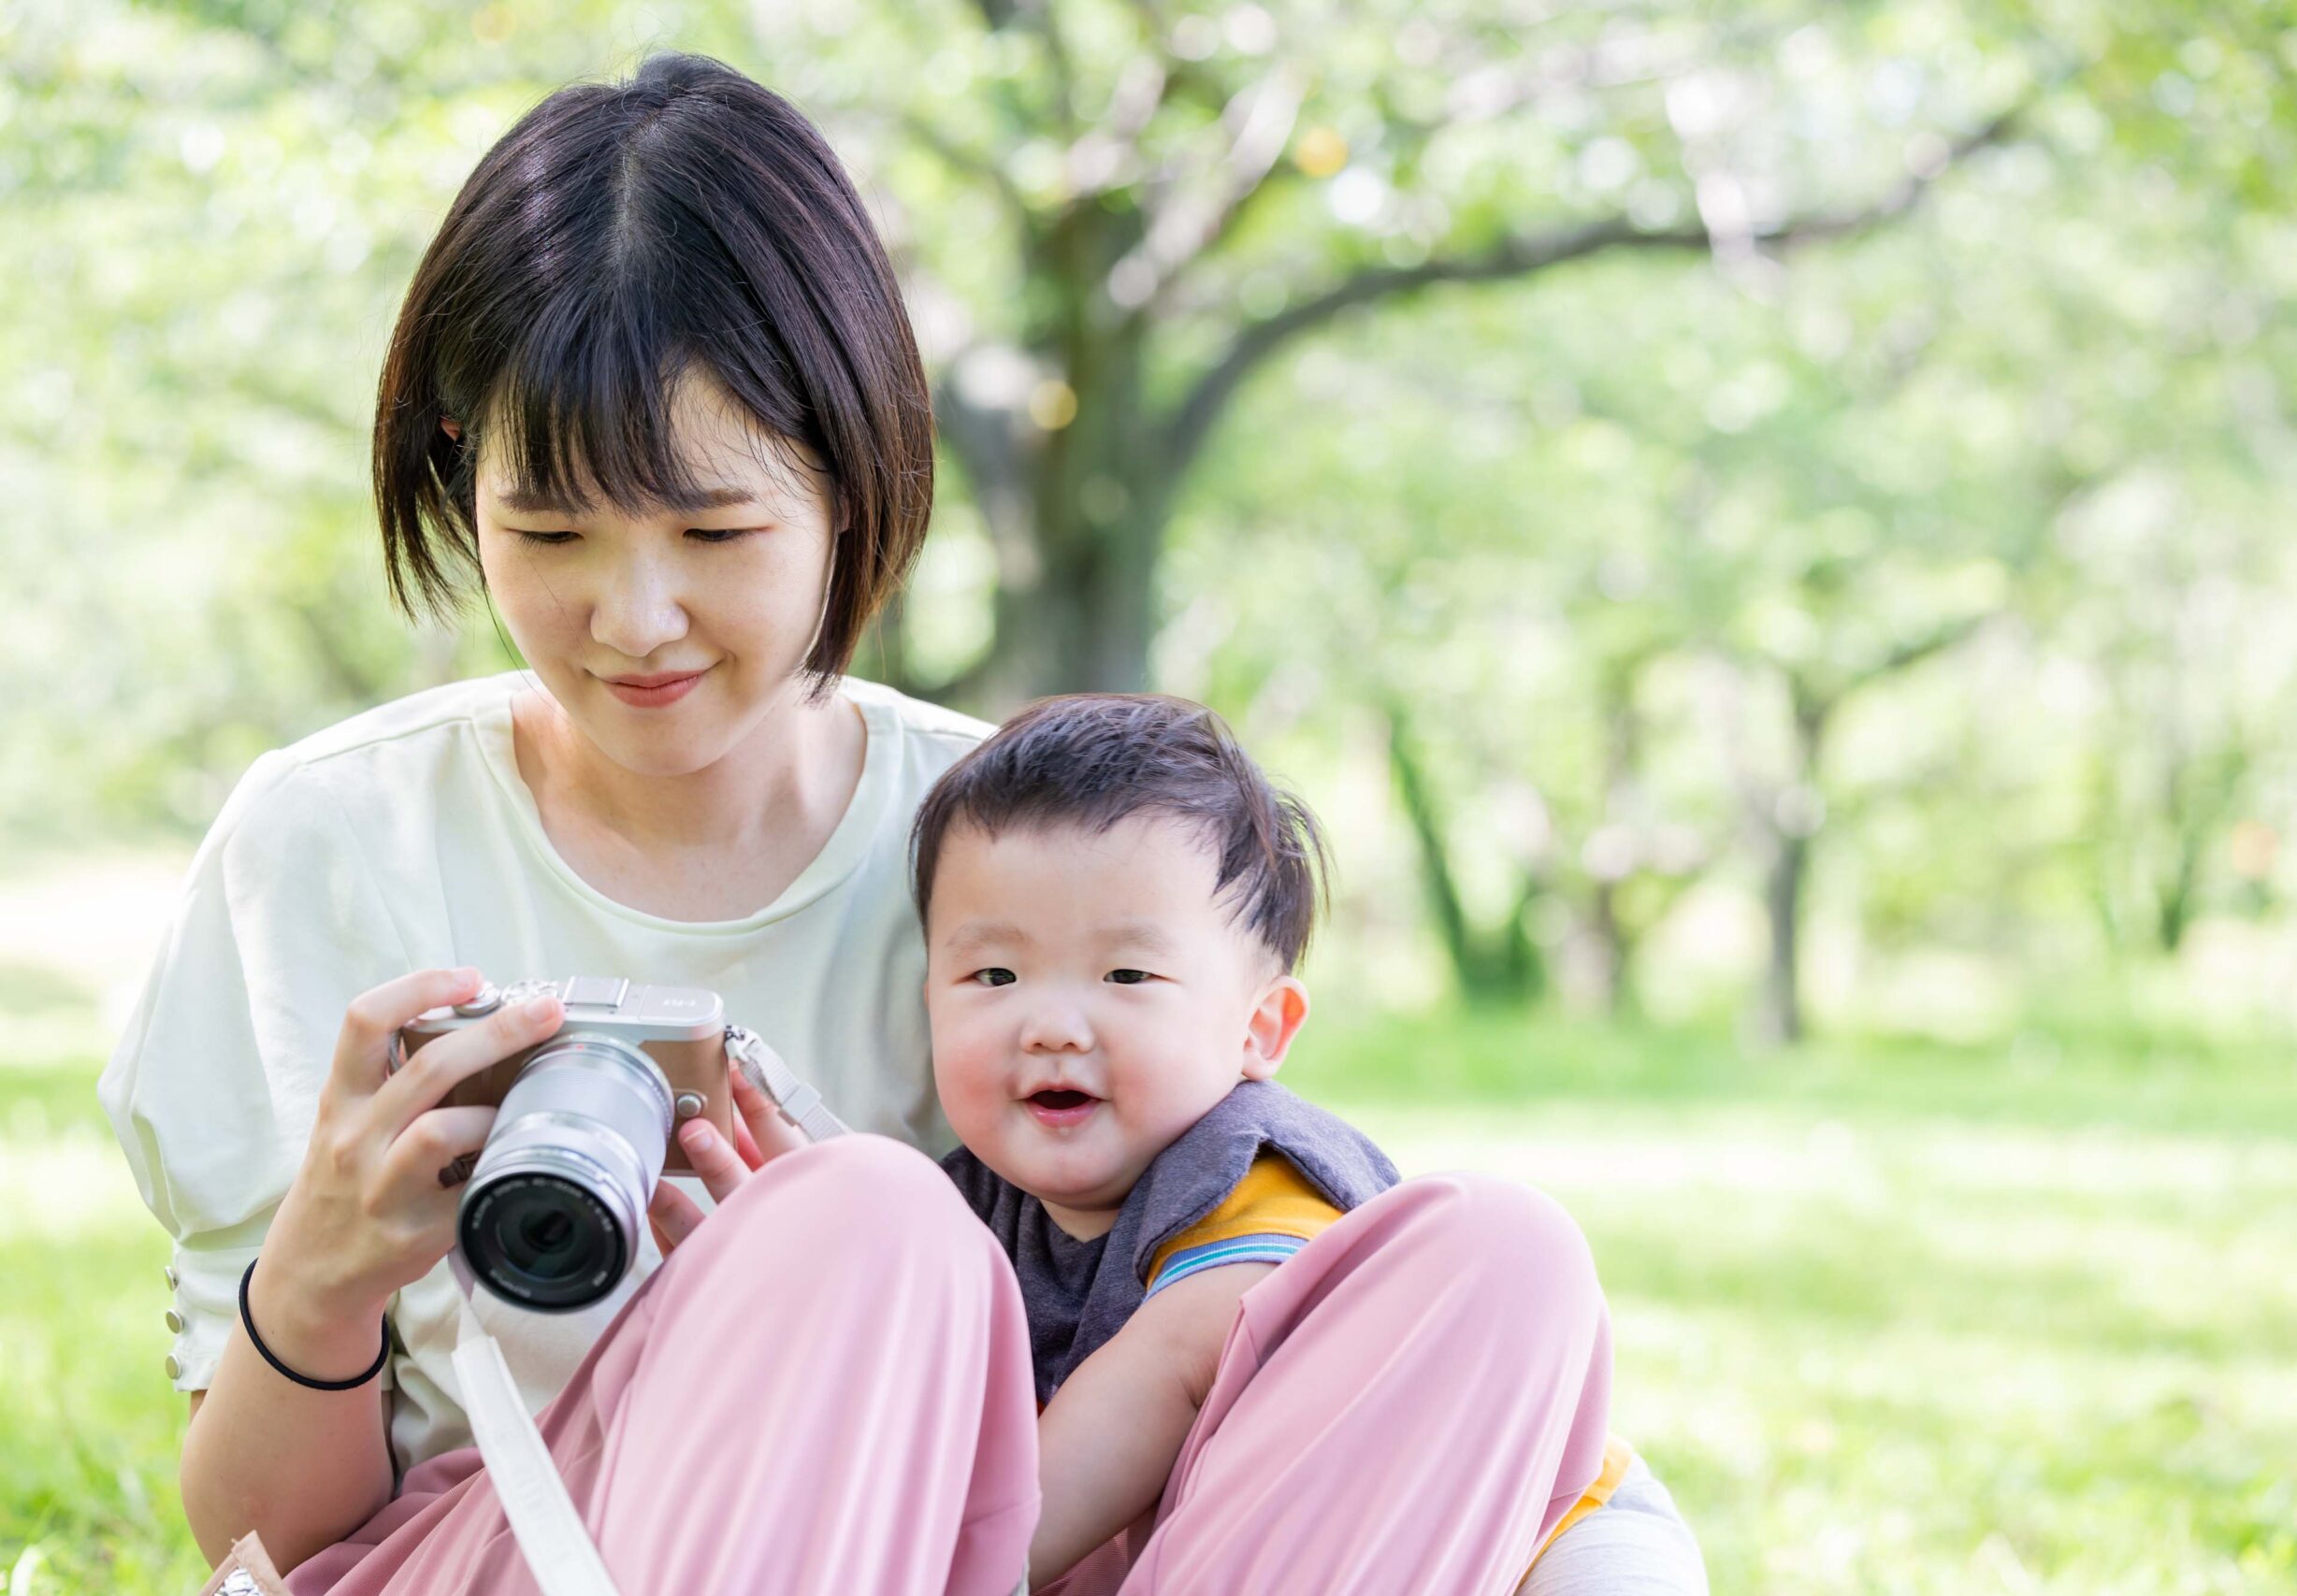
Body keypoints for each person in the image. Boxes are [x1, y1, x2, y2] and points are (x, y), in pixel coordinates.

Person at [96, 50, 1702, 1595]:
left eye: (715, 525)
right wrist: (320, 1273)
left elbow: (1250, 1282)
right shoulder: (328, 845)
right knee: (872, 1223)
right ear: (460, 476)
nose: (632, 616)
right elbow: (273, 1551)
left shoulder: (1004, 838)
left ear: (851, 479)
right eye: (550, 528)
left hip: (992, 1541)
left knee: (1503, 1250)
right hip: (524, 1544)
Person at [914, 693, 1657, 1593]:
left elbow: (1140, 1405)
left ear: (1260, 1028)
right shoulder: (962, 1211)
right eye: (995, 973)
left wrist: (908, 1570)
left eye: (1127, 973)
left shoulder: (1250, 1169)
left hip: (1532, 1530)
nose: (1053, 1024)